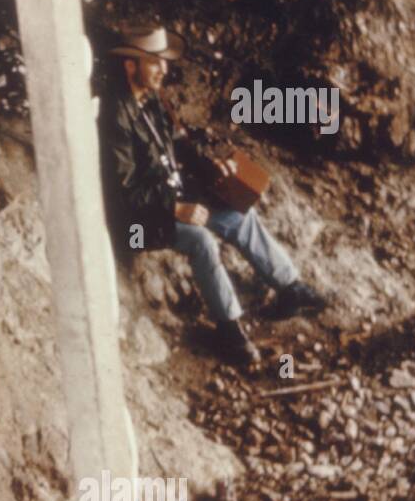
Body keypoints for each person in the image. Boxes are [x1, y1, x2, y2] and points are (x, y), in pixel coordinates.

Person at [98, 25, 326, 366]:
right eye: (154, 62)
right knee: (201, 241)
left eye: (163, 62)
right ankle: (230, 330)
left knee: (238, 215)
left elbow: (178, 145)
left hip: (170, 199)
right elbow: (123, 192)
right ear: (131, 65)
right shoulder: (117, 114)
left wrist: (211, 167)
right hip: (136, 221)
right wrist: (176, 208)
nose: (163, 69)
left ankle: (291, 287)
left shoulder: (152, 101)